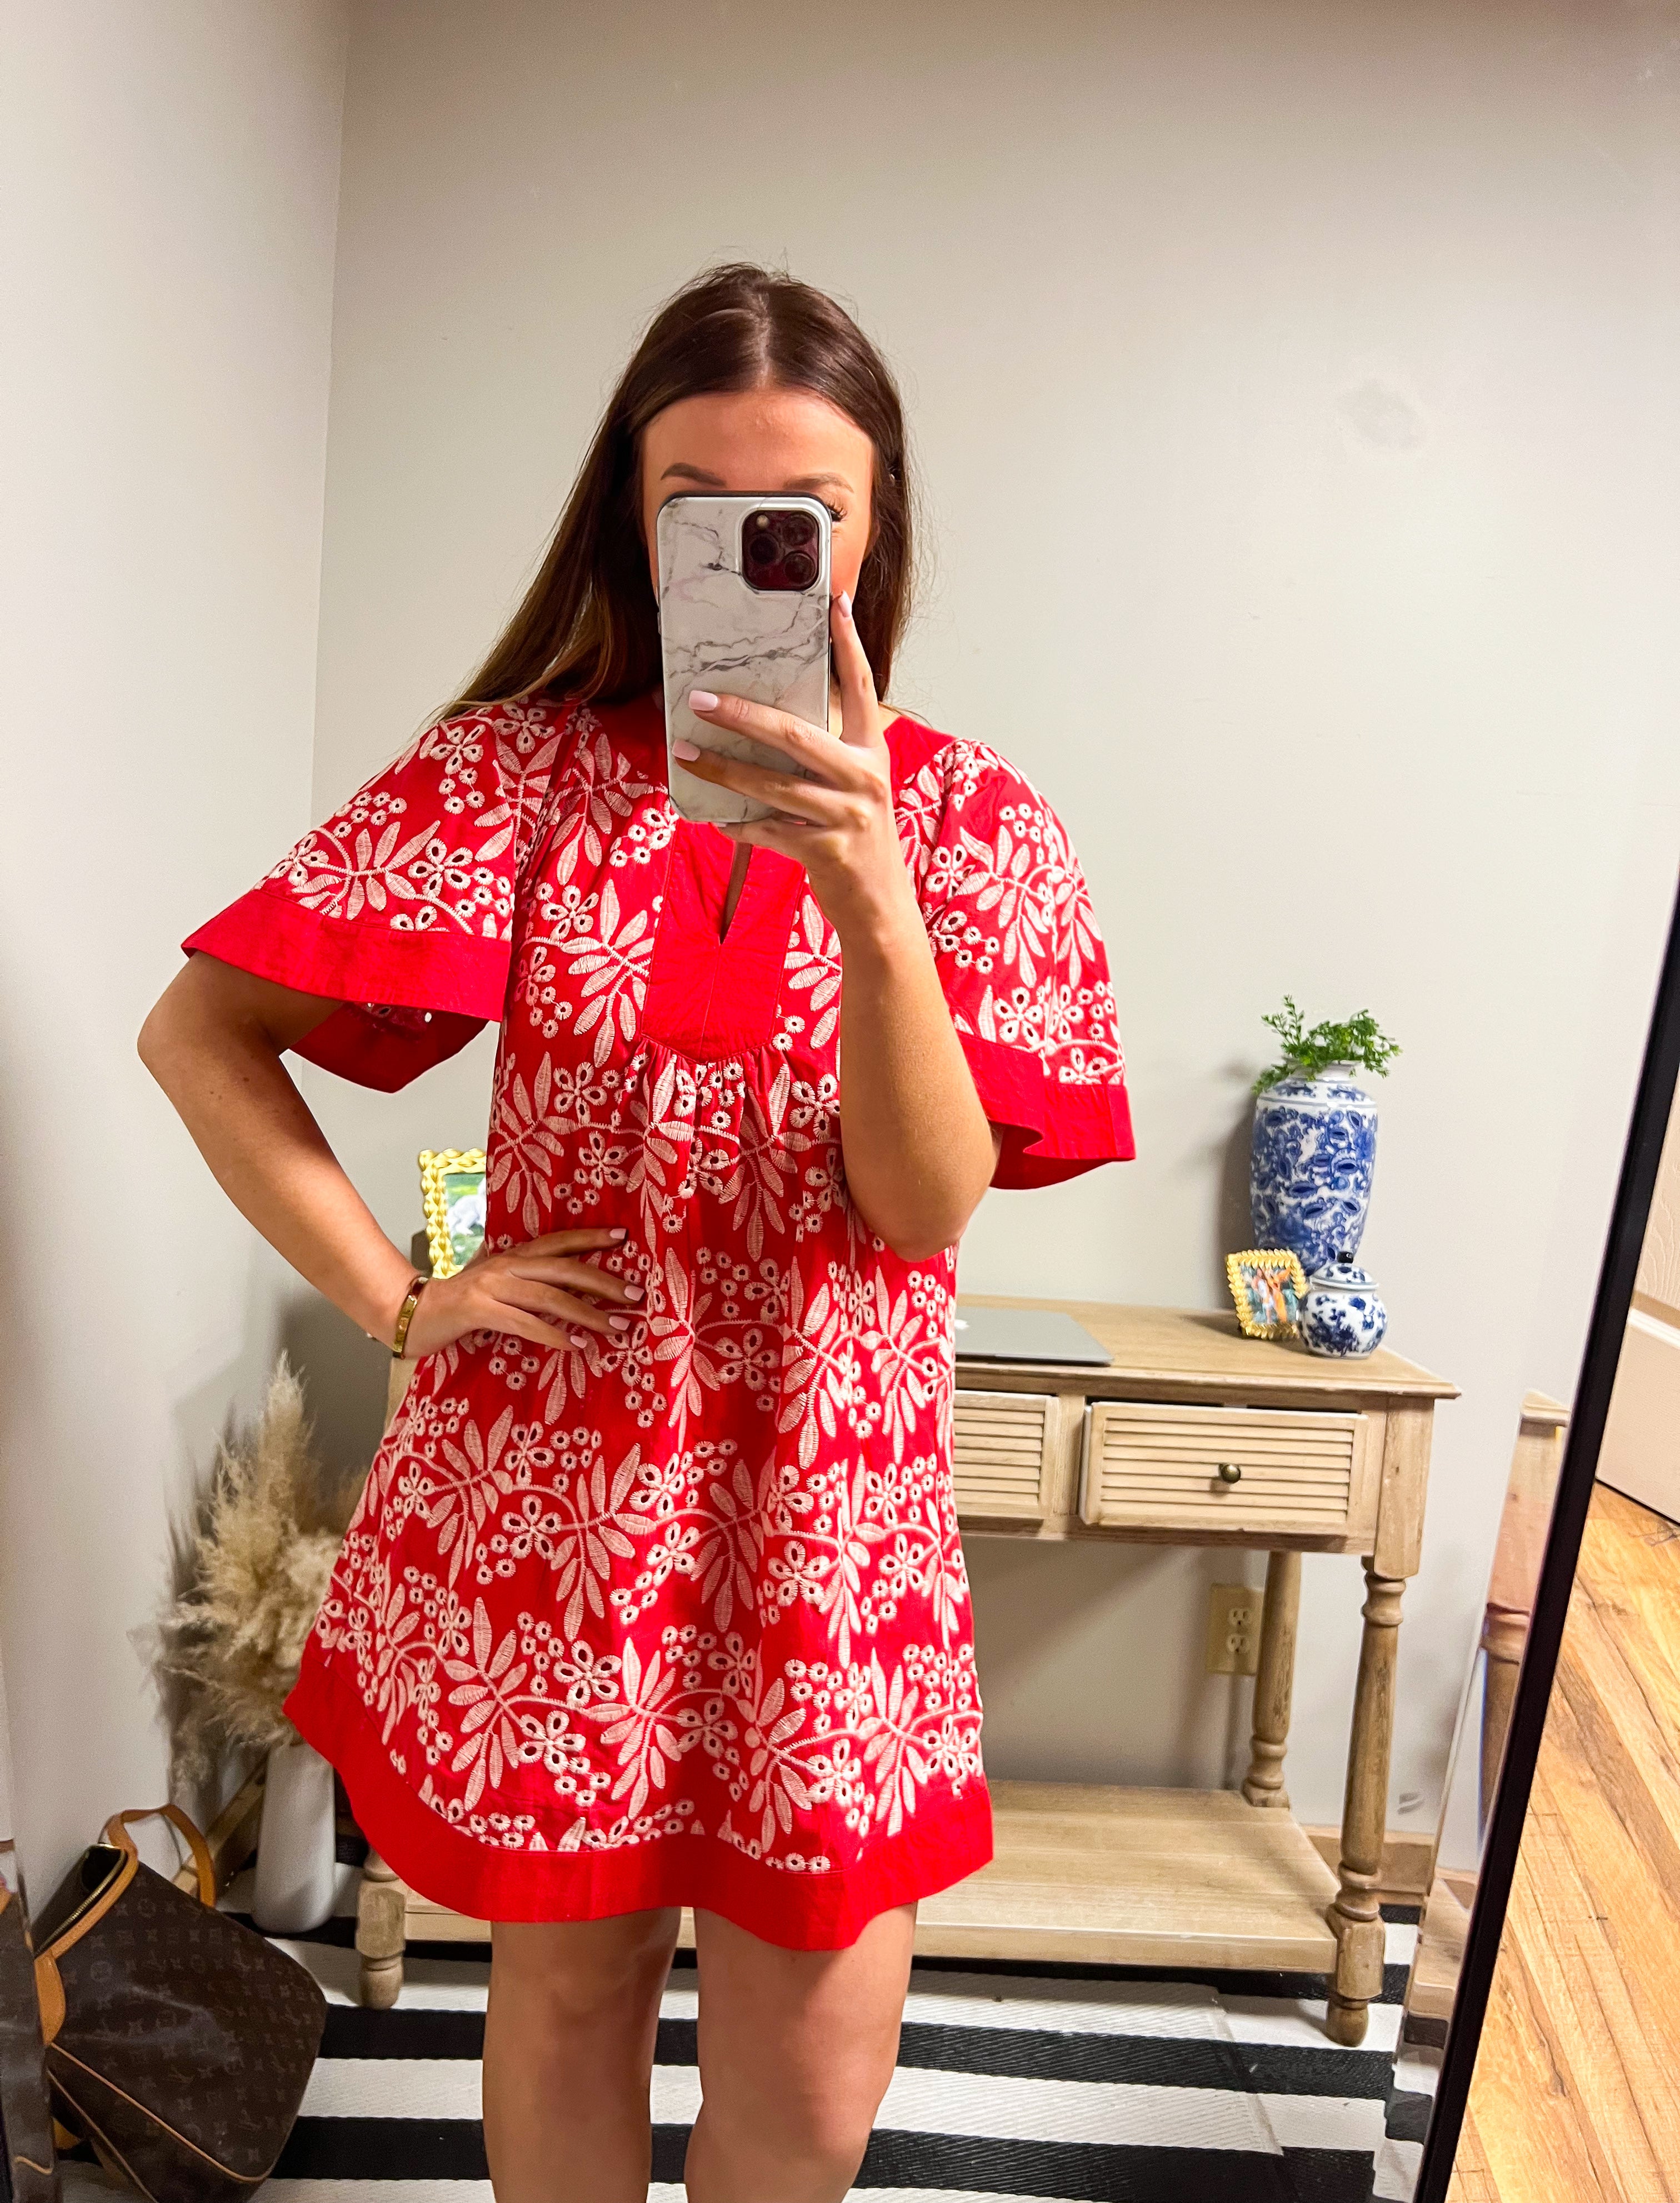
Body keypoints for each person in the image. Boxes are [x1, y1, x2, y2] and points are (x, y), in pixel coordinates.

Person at [139, 263, 1134, 2203]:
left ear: (870, 531)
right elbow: (202, 1033)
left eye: (801, 516)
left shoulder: (979, 832)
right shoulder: (512, 777)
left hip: (825, 1534)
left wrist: (872, 898)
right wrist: (401, 1300)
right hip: (566, 1524)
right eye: (700, 506)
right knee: (570, 2005)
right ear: (633, 513)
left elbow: (923, 1204)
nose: (749, 552)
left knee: (817, 2076)